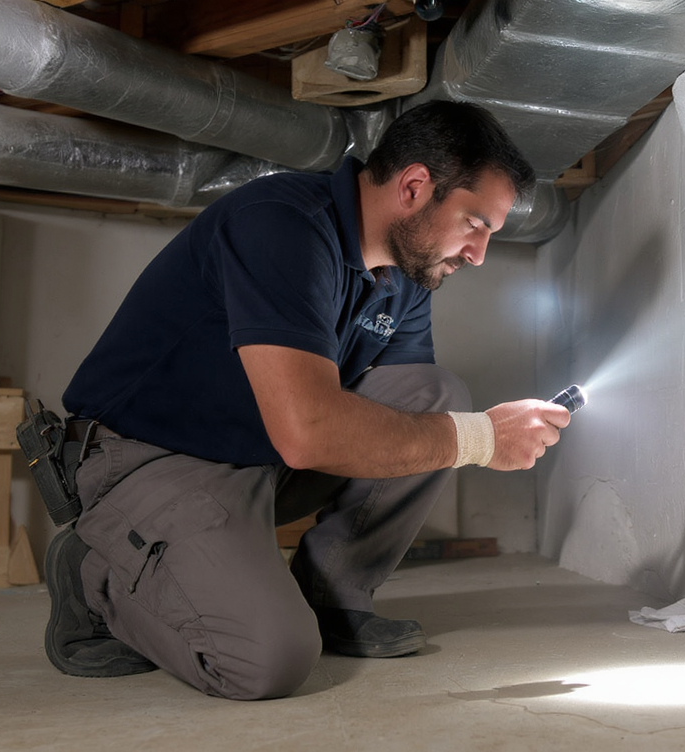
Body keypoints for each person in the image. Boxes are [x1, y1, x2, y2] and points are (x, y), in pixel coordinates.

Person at [44, 101, 570, 701]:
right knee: (265, 661)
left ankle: (334, 596)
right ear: (416, 186)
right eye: (475, 224)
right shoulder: (282, 224)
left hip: (257, 457)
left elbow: (404, 422)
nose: (478, 254)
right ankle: (93, 575)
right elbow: (309, 432)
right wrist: (483, 439)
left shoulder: (405, 276)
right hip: (150, 459)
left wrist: (468, 431)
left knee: (437, 396)